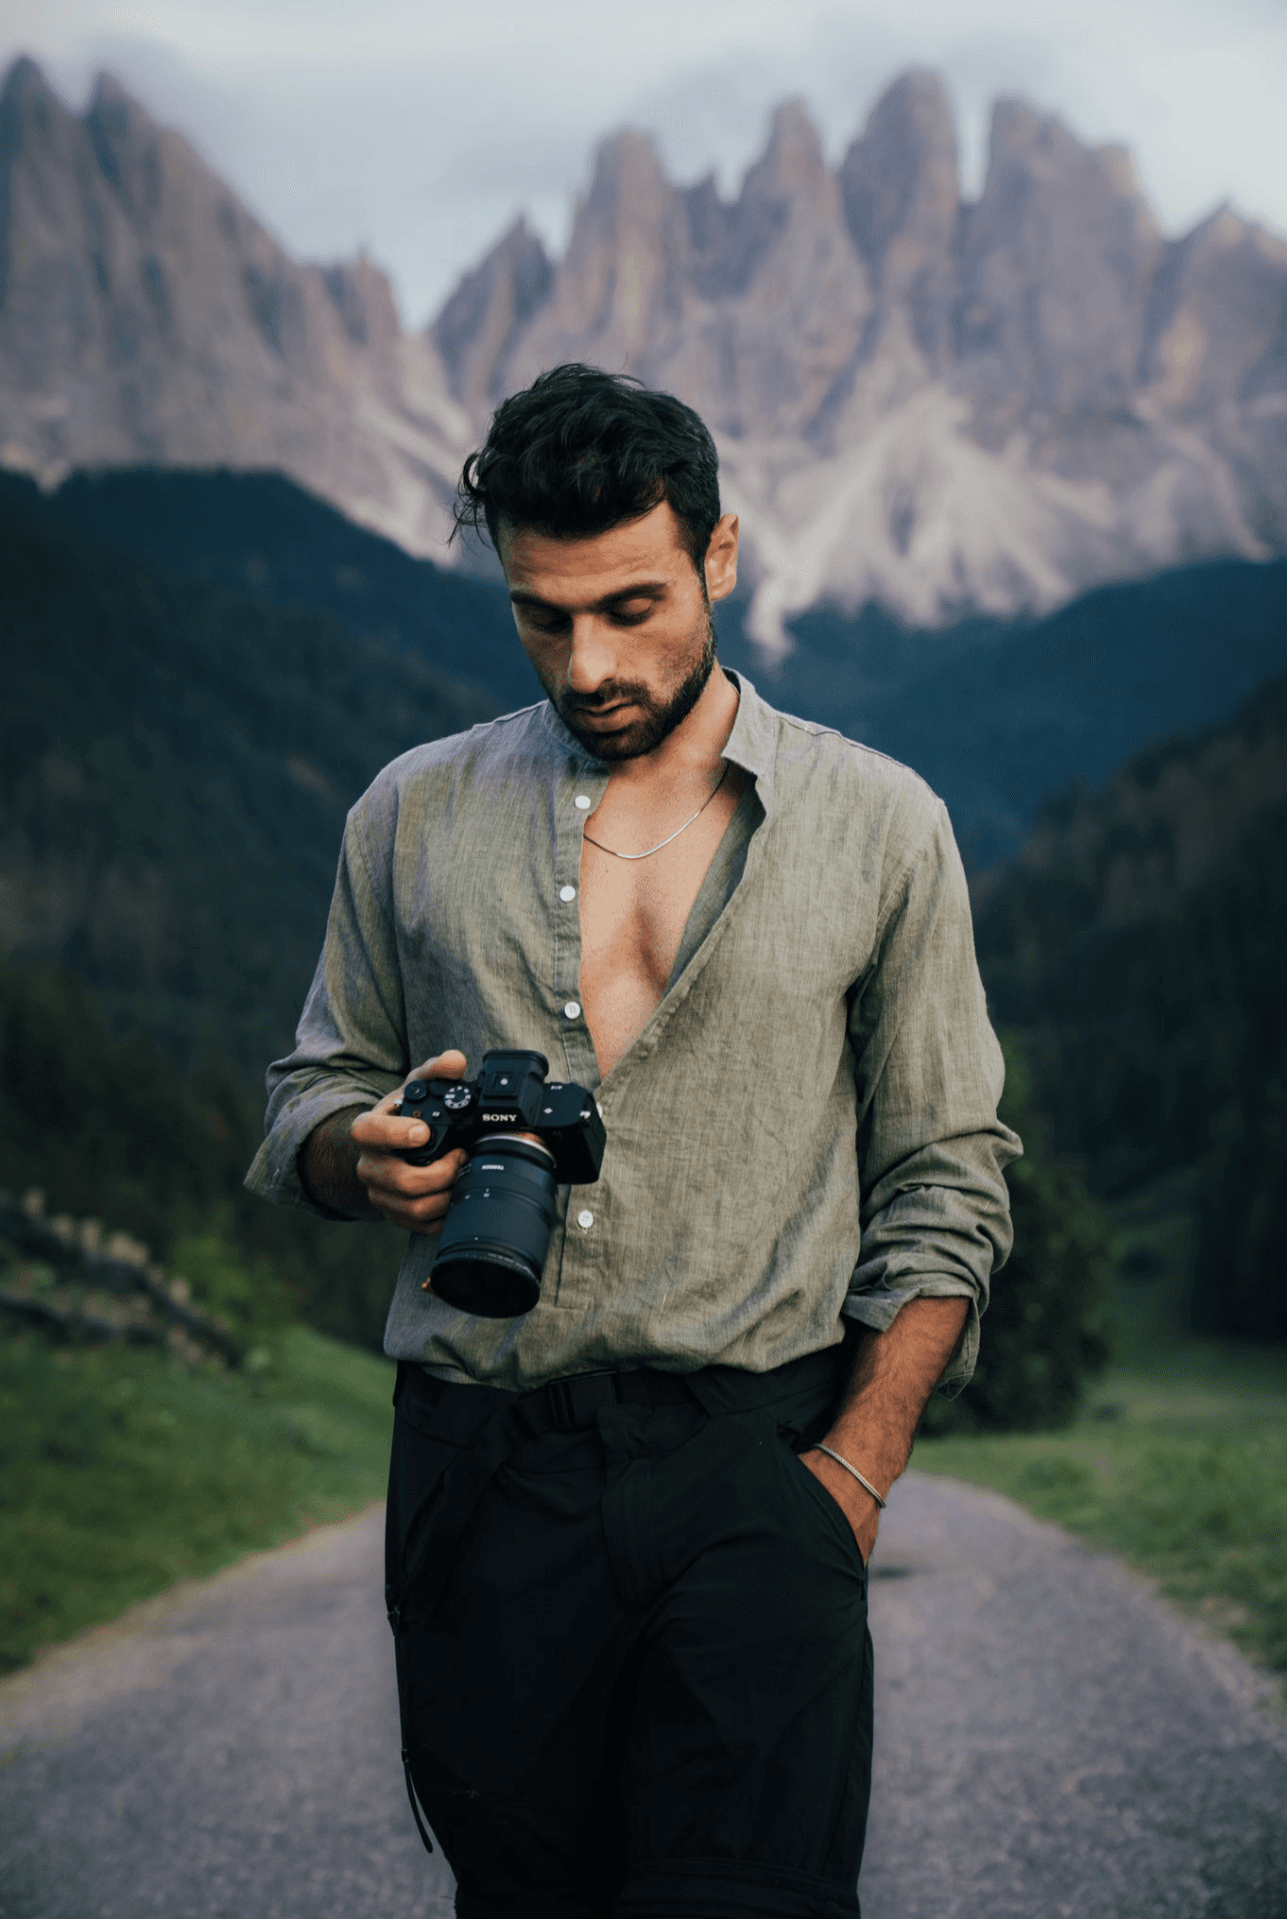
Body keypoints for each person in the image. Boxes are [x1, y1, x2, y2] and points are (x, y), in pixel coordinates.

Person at [246, 363, 1020, 1919]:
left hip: (760, 1461)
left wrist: (850, 1479)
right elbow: (309, 1087)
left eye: (631, 604)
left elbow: (947, 1170)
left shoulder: (882, 823)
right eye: (543, 615)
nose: (587, 661)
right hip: (484, 1472)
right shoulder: (408, 812)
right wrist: (361, 1151)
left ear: (719, 556)